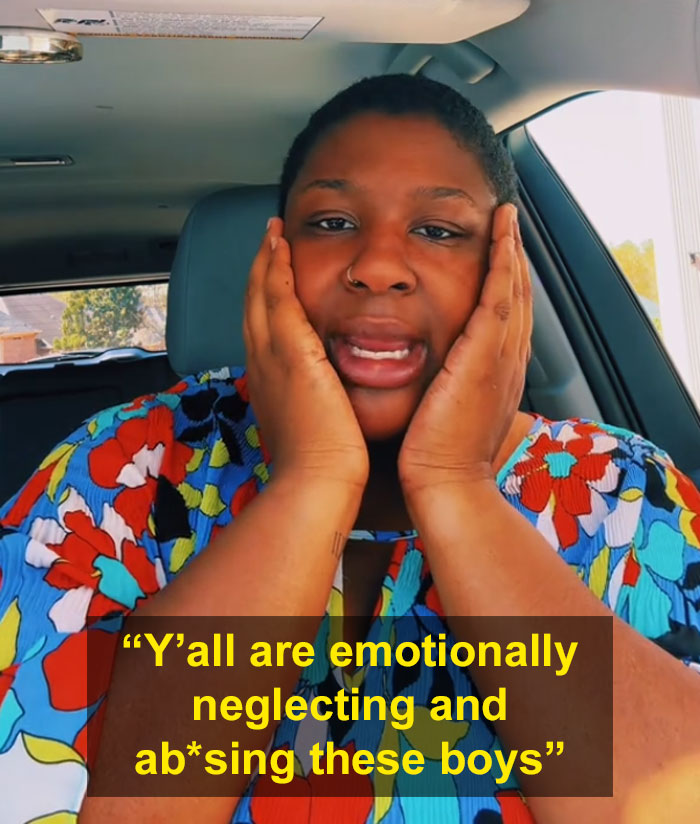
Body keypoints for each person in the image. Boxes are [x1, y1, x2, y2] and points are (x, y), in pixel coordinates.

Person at [1, 73, 700, 824]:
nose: (378, 266)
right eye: (332, 222)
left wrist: (455, 487)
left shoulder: (625, 495)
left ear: (505, 272)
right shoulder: (115, 476)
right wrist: (312, 483)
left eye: (440, 230)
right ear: (276, 255)